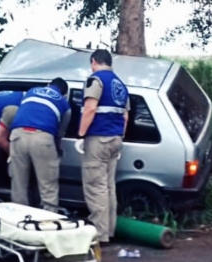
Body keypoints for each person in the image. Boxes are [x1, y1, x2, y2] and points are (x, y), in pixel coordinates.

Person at [76, 49, 130, 245]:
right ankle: (109, 230)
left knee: (95, 186)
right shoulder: (120, 85)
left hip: (98, 139)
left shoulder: (95, 80)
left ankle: (99, 234)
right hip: (115, 139)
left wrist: (81, 134)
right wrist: (120, 136)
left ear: (94, 61)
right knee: (108, 186)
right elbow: (125, 117)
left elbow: (90, 108)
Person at [8, 78, 71, 213]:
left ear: (48, 85)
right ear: (64, 93)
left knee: (18, 183)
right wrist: (56, 149)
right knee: (48, 185)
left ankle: (18, 220)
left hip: (18, 135)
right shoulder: (64, 103)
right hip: (42, 138)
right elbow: (60, 133)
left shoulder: (30, 91)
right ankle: (48, 220)